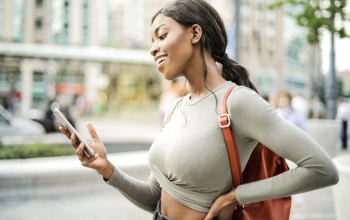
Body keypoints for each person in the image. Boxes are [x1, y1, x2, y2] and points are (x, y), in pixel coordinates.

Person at [59, 1, 339, 220]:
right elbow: (155, 197)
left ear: (195, 33)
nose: (153, 48)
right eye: (152, 41)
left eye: (162, 35)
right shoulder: (176, 108)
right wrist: (108, 170)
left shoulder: (236, 102)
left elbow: (322, 169)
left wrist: (236, 197)